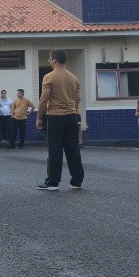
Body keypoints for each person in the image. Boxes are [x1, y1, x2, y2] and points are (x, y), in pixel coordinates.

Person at [35, 49, 84, 190]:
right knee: (73, 149)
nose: (50, 62)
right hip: (71, 116)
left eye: (50, 60)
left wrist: (39, 118)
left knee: (54, 150)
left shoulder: (49, 77)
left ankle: (53, 182)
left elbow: (44, 99)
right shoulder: (73, 78)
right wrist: (72, 110)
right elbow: (78, 99)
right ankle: (77, 181)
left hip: (55, 117)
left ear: (54, 60)